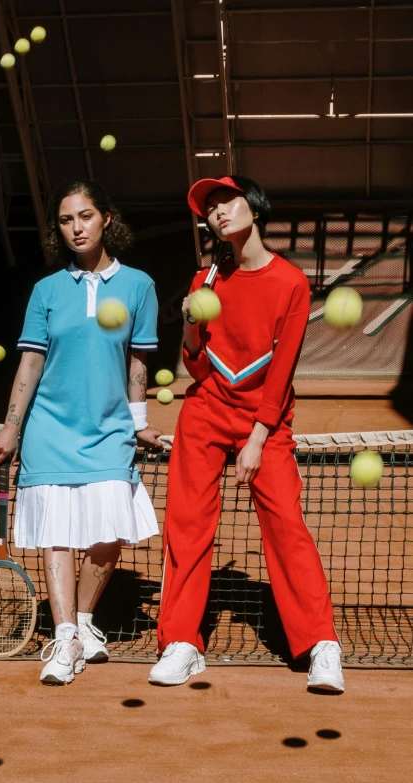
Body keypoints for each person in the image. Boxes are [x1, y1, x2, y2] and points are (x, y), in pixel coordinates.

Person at [149, 175, 344, 693]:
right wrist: (189, 325)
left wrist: (258, 438)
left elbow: (280, 373)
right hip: (206, 411)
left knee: (285, 524)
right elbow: (197, 368)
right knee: (187, 523)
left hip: (266, 419)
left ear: (253, 207)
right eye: (209, 208)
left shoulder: (291, 284)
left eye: (226, 200)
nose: (218, 212)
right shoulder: (204, 282)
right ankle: (182, 643)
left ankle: (321, 644)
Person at [0, 179, 162, 685]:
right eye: (66, 220)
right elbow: (30, 363)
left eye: (85, 216)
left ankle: (84, 620)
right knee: (59, 534)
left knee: (109, 534)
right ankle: (65, 637)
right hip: (49, 429)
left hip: (110, 430)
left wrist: (139, 424)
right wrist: (11, 427)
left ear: (105, 218)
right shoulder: (46, 291)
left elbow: (138, 361)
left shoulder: (139, 286)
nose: (76, 228)